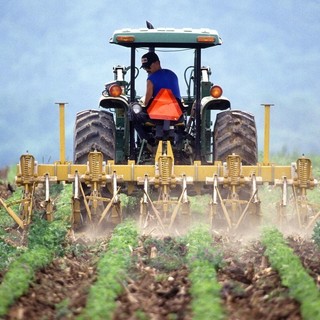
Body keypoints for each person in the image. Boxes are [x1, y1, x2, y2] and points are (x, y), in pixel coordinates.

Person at [131, 52, 182, 145]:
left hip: (156, 115)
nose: (147, 69)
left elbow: (146, 101)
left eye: (148, 66)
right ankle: (180, 142)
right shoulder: (173, 75)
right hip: (176, 113)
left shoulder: (151, 79)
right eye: (145, 67)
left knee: (132, 113)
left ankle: (146, 140)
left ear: (157, 63)